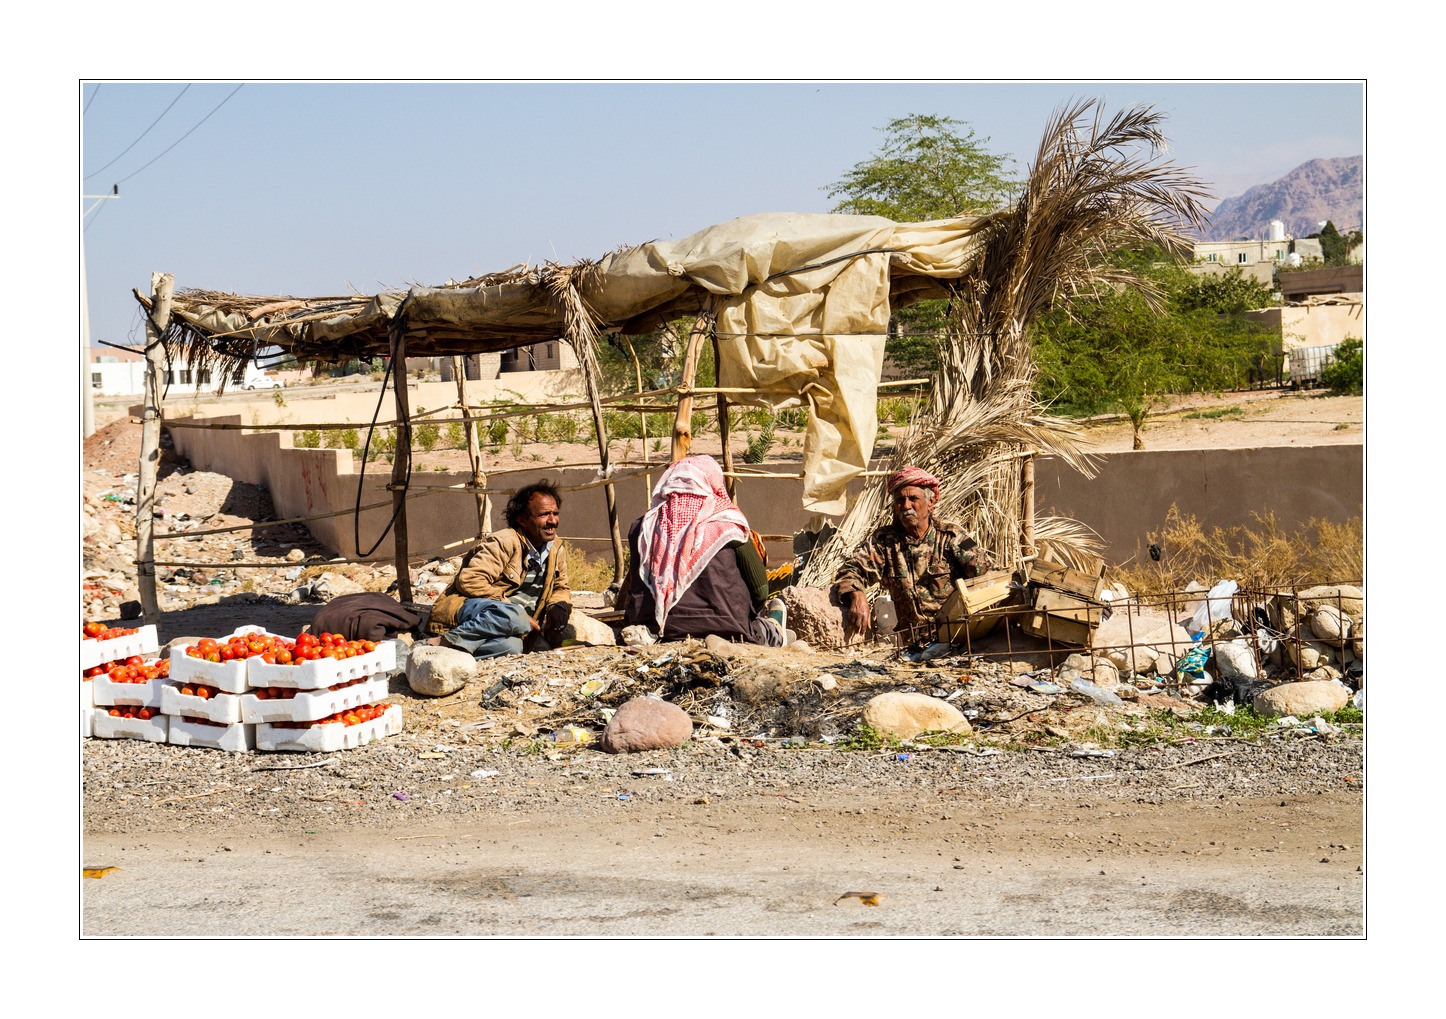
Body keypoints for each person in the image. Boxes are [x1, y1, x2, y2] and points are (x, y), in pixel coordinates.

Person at [620, 455, 782, 646]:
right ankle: (776, 624)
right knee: (771, 628)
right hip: (730, 630)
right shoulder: (729, 525)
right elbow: (761, 591)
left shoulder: (642, 528)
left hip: (657, 631)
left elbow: (636, 586)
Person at [831, 466, 993, 646]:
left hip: (958, 640)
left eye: (913, 499)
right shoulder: (884, 541)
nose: (906, 506)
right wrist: (857, 594)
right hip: (913, 645)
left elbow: (987, 577)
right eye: (900, 500)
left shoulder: (952, 536)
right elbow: (850, 571)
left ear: (930, 502)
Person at [425, 480, 572, 658]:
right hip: (479, 611)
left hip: (511, 626)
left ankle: (447, 652)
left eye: (555, 513)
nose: (553, 521)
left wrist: (559, 605)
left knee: (512, 647)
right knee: (516, 614)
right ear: (522, 519)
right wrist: (511, 608)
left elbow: (561, 587)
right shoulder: (504, 541)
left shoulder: (555, 547)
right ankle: (447, 639)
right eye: (544, 514)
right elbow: (470, 581)